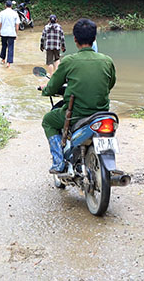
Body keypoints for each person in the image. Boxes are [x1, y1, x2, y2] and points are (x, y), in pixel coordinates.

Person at [39, 18, 116, 174]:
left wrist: (45, 90)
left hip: (75, 115)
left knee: (48, 120)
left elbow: (53, 85)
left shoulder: (69, 61)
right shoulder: (107, 61)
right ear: (95, 38)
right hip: (102, 114)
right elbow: (110, 84)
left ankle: (58, 162)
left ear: (75, 39)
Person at [0, 0, 19, 68]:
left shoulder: (2, 13)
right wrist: (16, 33)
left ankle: (3, 59)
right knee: (10, 47)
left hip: (3, 32)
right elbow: (17, 24)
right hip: (12, 33)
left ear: (5, 5)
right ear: (11, 6)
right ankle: (8, 62)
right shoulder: (15, 13)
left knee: (4, 45)